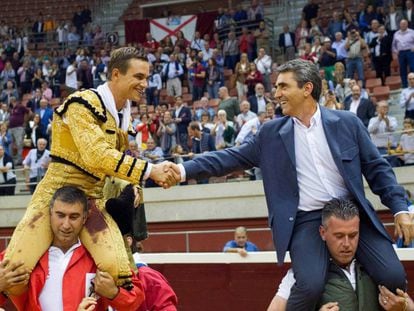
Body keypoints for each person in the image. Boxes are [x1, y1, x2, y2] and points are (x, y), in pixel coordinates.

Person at [163, 59, 411, 311]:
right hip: (307, 220)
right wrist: (182, 169)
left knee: (393, 277)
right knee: (309, 286)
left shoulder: (347, 123)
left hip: (350, 215)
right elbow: (228, 158)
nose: (276, 93)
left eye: (283, 86)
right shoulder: (270, 134)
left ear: (307, 89)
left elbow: (377, 169)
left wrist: (401, 209)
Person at [3, 47, 178, 296]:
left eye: (147, 77)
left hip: (92, 198)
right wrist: (150, 171)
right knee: (13, 274)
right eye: (139, 77)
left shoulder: (122, 114)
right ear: (116, 74)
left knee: (118, 272)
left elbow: (111, 165)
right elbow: (97, 156)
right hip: (55, 195)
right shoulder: (81, 104)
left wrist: (129, 185)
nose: (145, 84)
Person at [0, 185, 145, 310]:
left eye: (73, 217)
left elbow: (137, 300)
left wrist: (114, 293)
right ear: (50, 213)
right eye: (60, 215)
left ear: (85, 217)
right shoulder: (25, 252)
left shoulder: (103, 254)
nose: (66, 225)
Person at [267, 199, 411, 311]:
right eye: (339, 236)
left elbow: (408, 304)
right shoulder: (303, 273)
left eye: (353, 235)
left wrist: (403, 308)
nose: (347, 243)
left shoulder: (375, 264)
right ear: (323, 233)